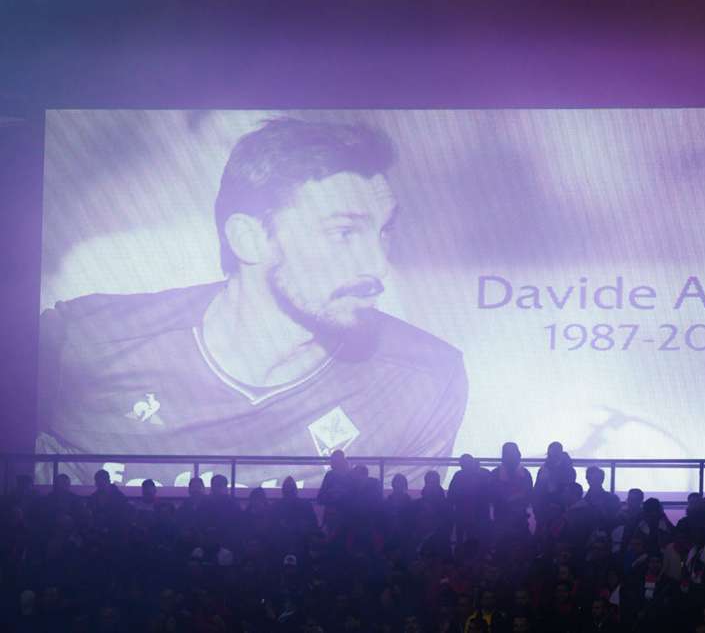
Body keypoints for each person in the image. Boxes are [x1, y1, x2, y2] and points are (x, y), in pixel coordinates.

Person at [35, 118, 468, 488]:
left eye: (384, 232)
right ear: (249, 238)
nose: (378, 264)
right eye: (343, 233)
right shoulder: (83, 345)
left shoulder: (422, 381)